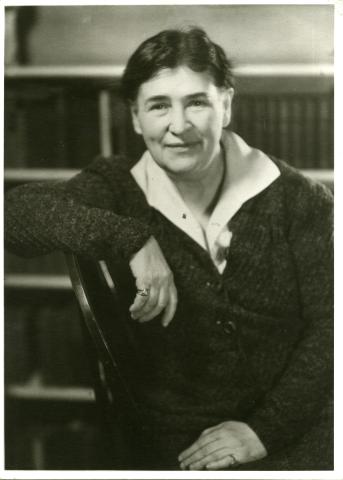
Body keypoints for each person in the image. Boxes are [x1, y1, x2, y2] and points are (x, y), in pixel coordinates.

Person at [5, 27, 333, 471]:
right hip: (181, 444)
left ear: (227, 105)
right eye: (159, 106)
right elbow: (14, 215)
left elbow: (334, 328)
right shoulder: (118, 187)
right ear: (137, 118)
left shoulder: (301, 200)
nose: (179, 126)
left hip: (302, 429)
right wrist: (133, 239)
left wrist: (264, 431)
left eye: (196, 102)